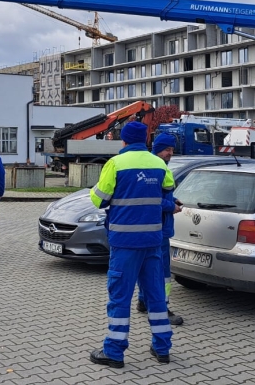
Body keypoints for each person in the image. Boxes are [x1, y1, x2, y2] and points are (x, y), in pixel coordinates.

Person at [89, 121, 175, 368]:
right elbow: (168, 190)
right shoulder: (159, 163)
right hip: (152, 242)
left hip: (125, 243)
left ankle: (114, 352)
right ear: (146, 140)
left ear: (123, 141)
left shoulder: (115, 164)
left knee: (120, 297)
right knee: (156, 296)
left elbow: (99, 199)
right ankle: (162, 348)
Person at [135, 133, 184, 326]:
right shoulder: (158, 168)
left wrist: (172, 200)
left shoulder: (154, 167)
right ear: (157, 150)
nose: (170, 153)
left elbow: (155, 195)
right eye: (167, 150)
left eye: (172, 150)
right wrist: (171, 206)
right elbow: (153, 200)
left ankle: (142, 300)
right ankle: (162, 308)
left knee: (146, 267)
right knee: (162, 272)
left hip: (153, 226)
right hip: (160, 227)